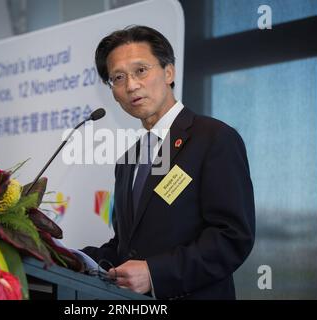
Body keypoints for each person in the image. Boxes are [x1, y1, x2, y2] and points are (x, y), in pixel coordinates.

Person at [82, 25, 255, 300]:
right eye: (118, 77)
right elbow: (126, 248)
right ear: (112, 92)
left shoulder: (214, 139)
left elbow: (232, 237)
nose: (131, 85)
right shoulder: (128, 161)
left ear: (169, 72)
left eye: (141, 70)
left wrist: (155, 273)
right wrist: (69, 257)